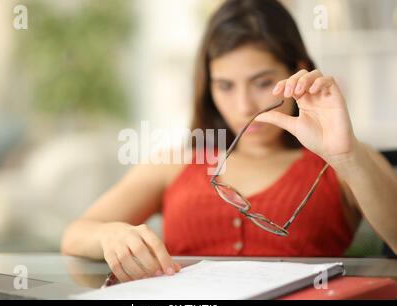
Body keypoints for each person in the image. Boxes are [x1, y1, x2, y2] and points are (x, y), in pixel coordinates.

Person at [61, 0, 397, 283]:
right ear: (208, 87)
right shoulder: (177, 163)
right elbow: (76, 234)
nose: (244, 106)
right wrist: (110, 235)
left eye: (262, 82)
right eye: (225, 85)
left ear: (299, 71)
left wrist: (347, 156)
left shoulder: (344, 162)